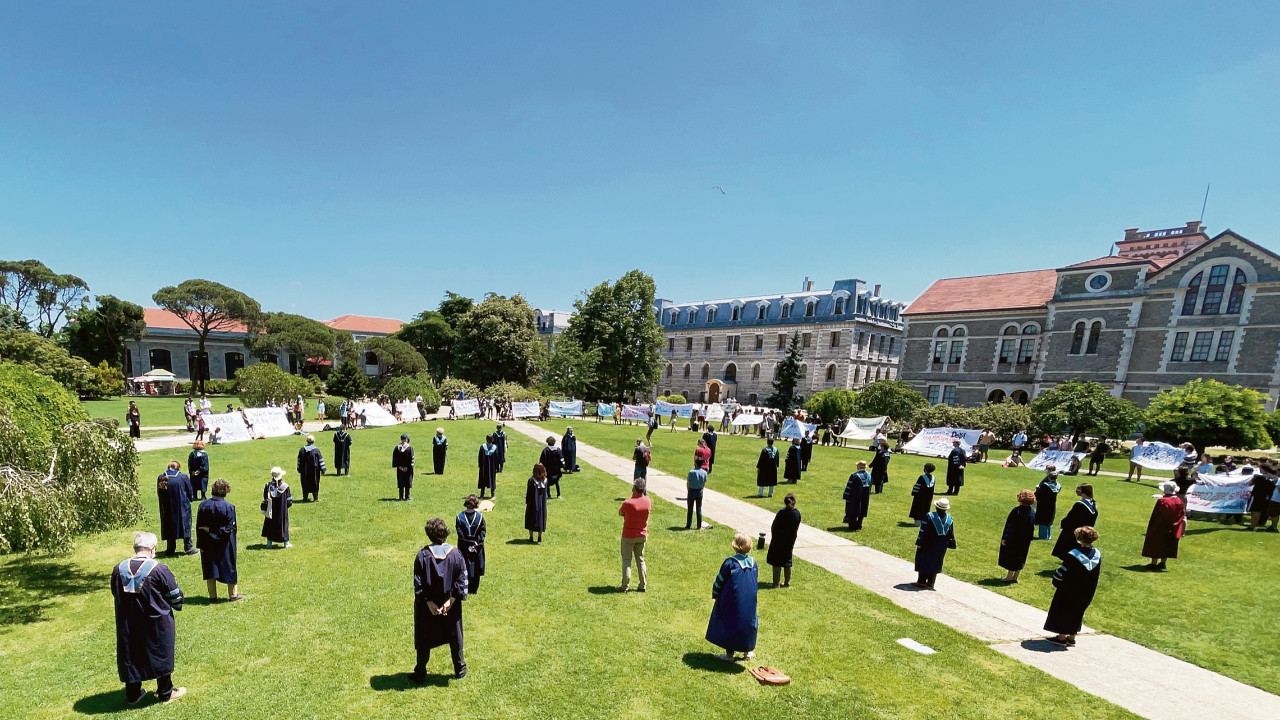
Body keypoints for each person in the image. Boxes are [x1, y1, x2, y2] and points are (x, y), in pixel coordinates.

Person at [111, 531, 187, 705]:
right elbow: (175, 596)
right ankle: (165, 692)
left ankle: (133, 694)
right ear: (152, 549)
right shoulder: (158, 569)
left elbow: (115, 593)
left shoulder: (118, 569)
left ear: (135, 548)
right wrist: (177, 604)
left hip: (128, 623)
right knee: (160, 651)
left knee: (131, 653)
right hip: (156, 621)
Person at [411, 517, 469, 682]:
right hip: (450, 608)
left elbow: (418, 584)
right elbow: (462, 581)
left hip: (427, 608)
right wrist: (449, 602)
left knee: (424, 637)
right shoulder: (456, 555)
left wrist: (429, 602)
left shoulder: (422, 556)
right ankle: (460, 669)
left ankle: (420, 672)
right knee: (455, 637)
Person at [1045, 526, 1101, 647]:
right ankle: (1071, 638)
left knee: (1063, 610)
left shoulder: (1073, 554)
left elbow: (1062, 572)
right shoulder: (1097, 555)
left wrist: (1056, 580)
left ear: (1079, 538)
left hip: (1069, 589)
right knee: (1078, 612)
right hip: (1087, 590)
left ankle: (1061, 637)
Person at [706, 533, 759, 662]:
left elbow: (720, 580)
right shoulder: (753, 564)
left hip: (732, 599)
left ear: (735, 546)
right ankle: (747, 652)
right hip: (750, 599)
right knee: (748, 622)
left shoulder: (730, 563)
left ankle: (729, 655)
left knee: (730, 622)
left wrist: (715, 592)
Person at [195, 479, 241, 602]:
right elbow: (229, 527)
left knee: (210, 567)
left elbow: (199, 527)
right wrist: (216, 533)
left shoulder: (203, 505)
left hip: (207, 541)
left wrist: (204, 538)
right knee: (229, 566)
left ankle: (212, 596)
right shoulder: (229, 507)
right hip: (225, 542)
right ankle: (233, 595)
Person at [913, 498, 955, 589]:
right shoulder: (949, 518)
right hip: (941, 545)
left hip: (928, 543)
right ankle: (931, 582)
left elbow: (923, 530)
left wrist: (919, 542)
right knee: (936, 561)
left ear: (936, 507)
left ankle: (921, 581)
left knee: (925, 560)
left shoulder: (930, 516)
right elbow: (951, 533)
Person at [1142, 481, 1186, 571]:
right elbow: (1182, 514)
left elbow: (1157, 515)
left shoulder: (1162, 501)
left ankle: (1153, 563)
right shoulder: (1178, 501)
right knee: (1168, 544)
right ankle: (1163, 563)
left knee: (1157, 544)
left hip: (1161, 526)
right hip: (1174, 526)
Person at [617, 478, 651, 593]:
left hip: (628, 535)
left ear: (635, 489)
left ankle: (624, 585)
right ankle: (643, 585)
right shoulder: (648, 502)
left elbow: (620, 513)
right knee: (640, 560)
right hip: (641, 535)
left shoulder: (628, 503)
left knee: (627, 560)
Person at [156, 461, 196, 556]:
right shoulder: (182, 477)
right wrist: (191, 498)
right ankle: (188, 548)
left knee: (169, 526)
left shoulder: (161, 477)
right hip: (182, 507)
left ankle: (170, 549)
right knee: (185, 525)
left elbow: (159, 493)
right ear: (178, 468)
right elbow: (190, 491)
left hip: (167, 507)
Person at [1052, 483, 1098, 561]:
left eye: (1079, 489)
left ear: (1084, 491)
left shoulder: (1080, 505)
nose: (1077, 490)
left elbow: (1071, 518)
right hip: (1085, 530)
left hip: (1073, 530)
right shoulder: (1092, 503)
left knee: (1069, 549)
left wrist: (1063, 523)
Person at [999, 490, 1036, 583]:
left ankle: (1009, 577)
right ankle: (1015, 577)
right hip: (1025, 539)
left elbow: (1010, 526)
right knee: (1021, 556)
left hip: (1014, 538)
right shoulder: (1032, 512)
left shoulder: (1016, 511)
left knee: (1012, 556)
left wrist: (1005, 537)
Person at [767, 493, 801, 588]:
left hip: (778, 540)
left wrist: (774, 537)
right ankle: (787, 582)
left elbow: (774, 526)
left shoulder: (781, 513)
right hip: (790, 540)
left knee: (776, 561)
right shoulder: (797, 514)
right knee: (787, 560)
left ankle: (776, 583)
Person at [455, 495, 486, 595]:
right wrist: (477, 542)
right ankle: (474, 589)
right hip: (477, 546)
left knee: (464, 566)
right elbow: (482, 531)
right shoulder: (480, 517)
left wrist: (467, 542)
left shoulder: (459, 517)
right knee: (476, 566)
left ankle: (465, 587)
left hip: (464, 545)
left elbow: (459, 532)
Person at [261, 467, 293, 548]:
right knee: (283, 525)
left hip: (270, 510)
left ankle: (269, 543)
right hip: (282, 511)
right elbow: (289, 501)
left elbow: (265, 497)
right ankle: (286, 543)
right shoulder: (285, 487)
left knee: (270, 525)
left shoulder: (268, 486)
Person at [844, 460, 872, 531]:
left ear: (859, 467)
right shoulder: (869, 475)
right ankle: (859, 525)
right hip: (865, 496)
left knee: (853, 509)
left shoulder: (854, 476)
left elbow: (849, 487)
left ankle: (852, 525)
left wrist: (846, 496)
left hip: (854, 496)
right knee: (862, 509)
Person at [296, 435, 326, 503]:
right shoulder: (316, 451)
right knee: (314, 483)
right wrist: (323, 469)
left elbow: (299, 460)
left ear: (307, 441)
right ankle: (315, 498)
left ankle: (305, 497)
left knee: (305, 483)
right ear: (313, 441)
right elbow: (320, 460)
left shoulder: (302, 450)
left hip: (304, 471)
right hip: (314, 471)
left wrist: (299, 468)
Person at [1034, 468, 1062, 540]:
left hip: (1043, 505)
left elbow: (1038, 494)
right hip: (1052, 505)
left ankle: (1043, 536)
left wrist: (1037, 488)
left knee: (1043, 519)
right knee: (1049, 520)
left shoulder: (1045, 486)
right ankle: (1048, 536)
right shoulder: (1058, 485)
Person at [525, 463, 549, 543]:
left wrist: (527, 501)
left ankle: (531, 537)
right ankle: (539, 537)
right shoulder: (545, 481)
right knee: (541, 519)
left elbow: (528, 492)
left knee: (531, 518)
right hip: (542, 504)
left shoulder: (531, 481)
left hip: (532, 504)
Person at [393, 433, 415, 501]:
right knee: (407, 481)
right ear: (406, 439)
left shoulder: (397, 448)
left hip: (399, 469)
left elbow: (395, 458)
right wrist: (407, 467)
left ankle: (400, 496)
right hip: (407, 469)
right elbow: (411, 459)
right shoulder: (409, 448)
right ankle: (407, 496)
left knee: (401, 481)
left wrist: (399, 467)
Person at [686, 462, 708, 530]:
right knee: (699, 509)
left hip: (692, 490)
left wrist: (688, 490)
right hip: (699, 491)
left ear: (695, 464)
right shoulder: (704, 473)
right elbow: (704, 483)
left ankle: (688, 525)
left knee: (690, 509)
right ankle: (699, 525)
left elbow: (688, 482)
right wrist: (702, 489)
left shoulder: (691, 472)